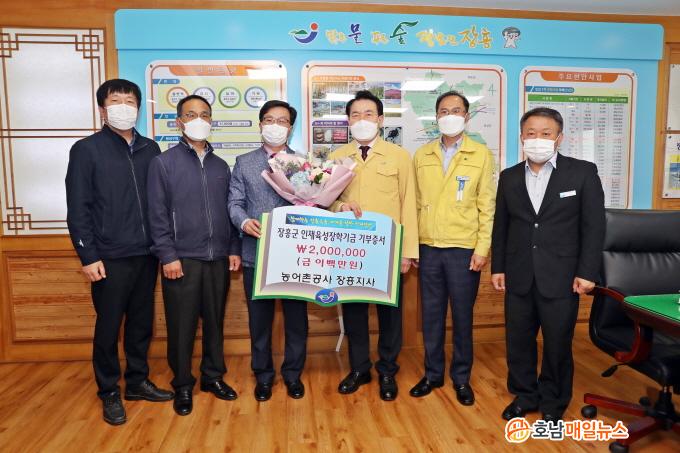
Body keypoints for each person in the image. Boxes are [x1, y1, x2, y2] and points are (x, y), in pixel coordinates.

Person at [66, 79, 174, 426]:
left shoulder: (151, 149)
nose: (123, 107)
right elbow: (78, 208)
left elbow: (161, 201)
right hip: (108, 256)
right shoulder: (87, 150)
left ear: (138, 108)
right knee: (109, 326)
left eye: (130, 101)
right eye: (116, 101)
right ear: (103, 109)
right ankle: (109, 391)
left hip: (147, 253)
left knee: (142, 323)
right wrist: (88, 256)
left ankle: (138, 382)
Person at [491, 107, 605, 422]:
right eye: (531, 133)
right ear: (521, 137)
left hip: (562, 276)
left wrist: (587, 272)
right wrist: (498, 267)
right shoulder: (509, 176)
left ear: (559, 137)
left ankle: (554, 401)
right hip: (519, 273)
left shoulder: (582, 173)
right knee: (518, 342)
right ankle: (525, 395)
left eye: (546, 133)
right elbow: (501, 226)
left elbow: (594, 227)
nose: (537, 139)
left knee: (557, 343)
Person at [147, 94, 241, 416]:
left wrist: (232, 248)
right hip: (181, 259)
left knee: (214, 322)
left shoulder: (221, 165)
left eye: (204, 114)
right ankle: (183, 383)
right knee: (181, 325)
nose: (198, 120)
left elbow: (229, 211)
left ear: (211, 121)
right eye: (190, 114)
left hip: (217, 258)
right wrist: (167, 255)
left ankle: (213, 377)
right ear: (179, 122)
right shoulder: (163, 163)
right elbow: (157, 214)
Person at [329, 90, 418, 401]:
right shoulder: (337, 157)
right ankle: (359, 369)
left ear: (380, 119)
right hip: (350, 250)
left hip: (388, 249)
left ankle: (388, 371)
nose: (362, 120)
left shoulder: (399, 156)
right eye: (355, 115)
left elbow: (409, 204)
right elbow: (325, 202)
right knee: (353, 313)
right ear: (348, 121)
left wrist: (407, 252)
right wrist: (340, 206)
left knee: (389, 314)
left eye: (368, 114)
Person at [409, 91, 496, 406]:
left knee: (462, 317)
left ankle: (461, 378)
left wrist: (482, 248)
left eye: (456, 110)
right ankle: (433, 374)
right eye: (444, 111)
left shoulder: (481, 154)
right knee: (431, 316)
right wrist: (413, 247)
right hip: (429, 247)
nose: (450, 116)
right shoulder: (422, 155)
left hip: (464, 249)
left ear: (467, 117)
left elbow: (487, 205)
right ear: (436, 117)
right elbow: (414, 204)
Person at [228, 100, 308, 402]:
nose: (276, 125)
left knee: (296, 320)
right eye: (270, 120)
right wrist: (243, 221)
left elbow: (315, 202)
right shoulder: (244, 161)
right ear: (260, 124)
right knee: (259, 321)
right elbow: (234, 202)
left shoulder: (303, 163)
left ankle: (293, 374)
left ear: (291, 127)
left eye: (283, 121)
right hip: (256, 253)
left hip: (295, 256)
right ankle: (263, 376)